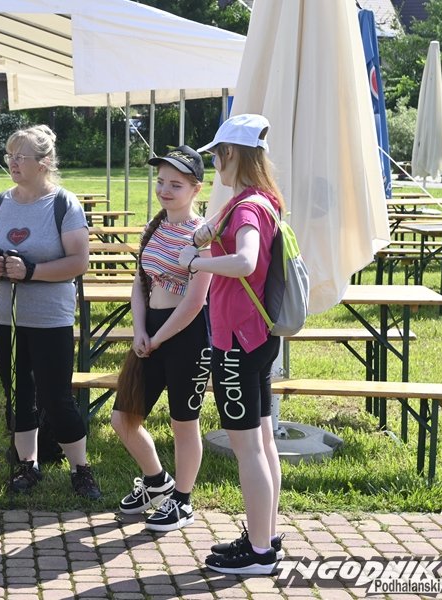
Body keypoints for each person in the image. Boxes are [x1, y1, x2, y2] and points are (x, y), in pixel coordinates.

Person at [0, 124, 102, 500]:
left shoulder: (63, 204)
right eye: (9, 156)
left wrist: (32, 271)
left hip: (49, 318)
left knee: (56, 397)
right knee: (17, 394)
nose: (12, 163)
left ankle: (81, 469)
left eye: (20, 157)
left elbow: (78, 262)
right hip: (1, 317)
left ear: (43, 163)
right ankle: (28, 466)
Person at [178, 114, 284, 574]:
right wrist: (206, 235)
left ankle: (259, 553)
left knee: (249, 448)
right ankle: (266, 535)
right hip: (257, 336)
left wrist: (197, 262)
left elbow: (245, 261)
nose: (215, 164)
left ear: (231, 154)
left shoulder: (246, 208)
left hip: (238, 341)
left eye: (218, 155)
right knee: (262, 440)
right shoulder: (259, 199)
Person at [112, 146, 212, 531]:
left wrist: (157, 338)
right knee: (123, 418)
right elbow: (140, 285)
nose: (165, 190)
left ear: (196, 189)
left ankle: (182, 501)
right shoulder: (153, 228)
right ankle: (156, 482)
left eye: (176, 184)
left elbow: (195, 302)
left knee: (183, 422)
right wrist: (140, 331)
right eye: (161, 182)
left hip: (188, 337)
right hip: (150, 332)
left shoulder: (204, 237)